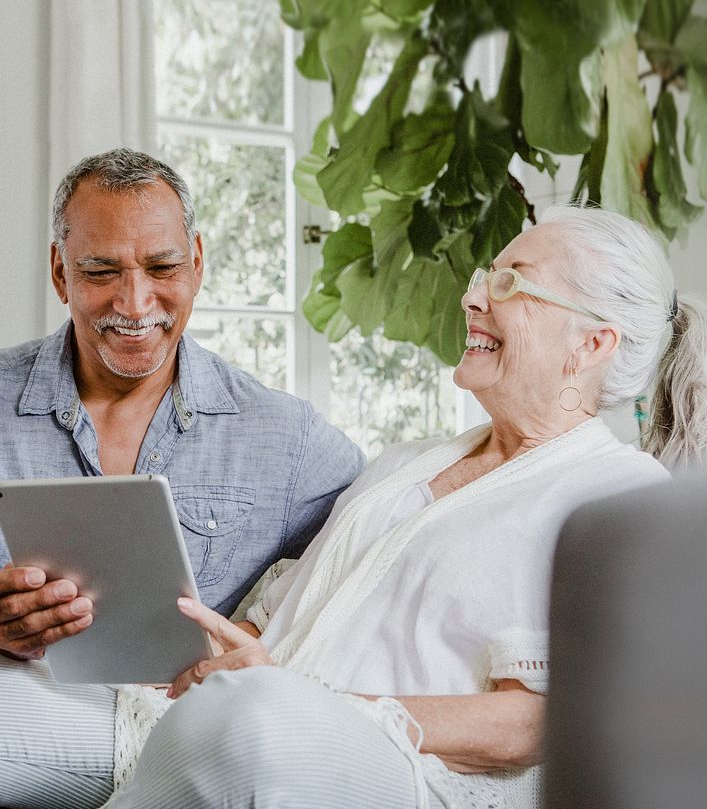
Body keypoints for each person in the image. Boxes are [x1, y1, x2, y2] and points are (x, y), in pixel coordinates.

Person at [101, 204, 707, 809]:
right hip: (257, 715)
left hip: (408, 772)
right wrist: (202, 655)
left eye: (510, 283)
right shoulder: (405, 462)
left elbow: (532, 723)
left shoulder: (619, 496)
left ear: (592, 342)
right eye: (483, 277)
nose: (473, 300)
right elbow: (276, 618)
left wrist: (310, 706)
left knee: (255, 722)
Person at [0, 148, 365, 807]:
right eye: (100, 270)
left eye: (162, 267)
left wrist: (262, 642)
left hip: (191, 744)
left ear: (197, 262)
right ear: (60, 272)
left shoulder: (287, 439)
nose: (135, 303)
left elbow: (373, 564)